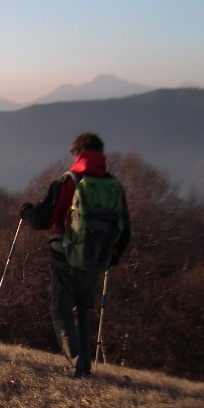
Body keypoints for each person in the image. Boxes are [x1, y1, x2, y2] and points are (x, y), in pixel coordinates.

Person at [19, 132, 131, 377]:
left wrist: (27, 211)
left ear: (76, 153)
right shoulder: (113, 186)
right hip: (96, 259)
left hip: (65, 256)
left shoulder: (69, 181)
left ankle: (76, 366)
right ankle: (85, 365)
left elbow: (42, 219)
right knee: (82, 309)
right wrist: (112, 257)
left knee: (61, 309)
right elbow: (125, 228)